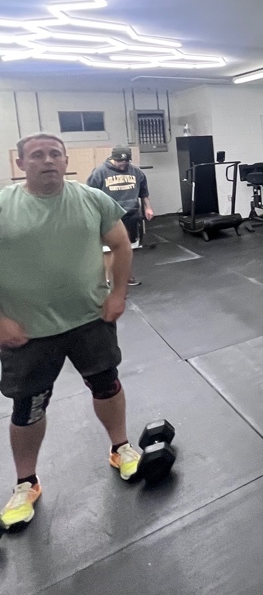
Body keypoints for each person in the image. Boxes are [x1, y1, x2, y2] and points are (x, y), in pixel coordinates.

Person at [0, 133, 142, 532]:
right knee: (28, 407)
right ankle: (25, 482)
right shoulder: (3, 206)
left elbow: (121, 244)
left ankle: (120, 448)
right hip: (27, 331)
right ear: (20, 162)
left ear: (65, 160)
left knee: (106, 385)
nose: (48, 161)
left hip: (89, 320)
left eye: (55, 154)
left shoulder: (91, 199)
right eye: (38, 155)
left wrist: (117, 294)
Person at [87, 145, 154, 288]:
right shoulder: (99, 173)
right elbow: (90, 195)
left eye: (126, 162)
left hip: (130, 214)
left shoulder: (137, 172)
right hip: (109, 216)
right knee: (108, 250)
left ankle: (127, 277)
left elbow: (144, 192)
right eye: (119, 161)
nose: (123, 164)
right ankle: (105, 281)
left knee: (128, 248)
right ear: (113, 158)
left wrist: (148, 207)